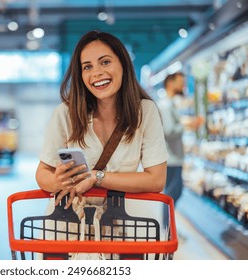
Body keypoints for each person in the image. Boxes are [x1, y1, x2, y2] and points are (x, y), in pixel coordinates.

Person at [35, 30, 169, 217]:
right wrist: (58, 181)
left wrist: (97, 178)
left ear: (123, 64)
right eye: (87, 67)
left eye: (105, 62)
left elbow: (156, 180)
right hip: (68, 226)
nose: (97, 73)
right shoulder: (66, 113)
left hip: (119, 225)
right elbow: (42, 173)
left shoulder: (145, 112)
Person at [157, 72, 200, 228]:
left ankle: (166, 226)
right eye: (180, 82)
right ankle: (166, 228)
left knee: (173, 192)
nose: (183, 86)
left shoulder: (168, 104)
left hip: (171, 156)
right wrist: (188, 125)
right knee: (172, 194)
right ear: (170, 83)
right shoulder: (166, 105)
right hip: (172, 157)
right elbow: (169, 130)